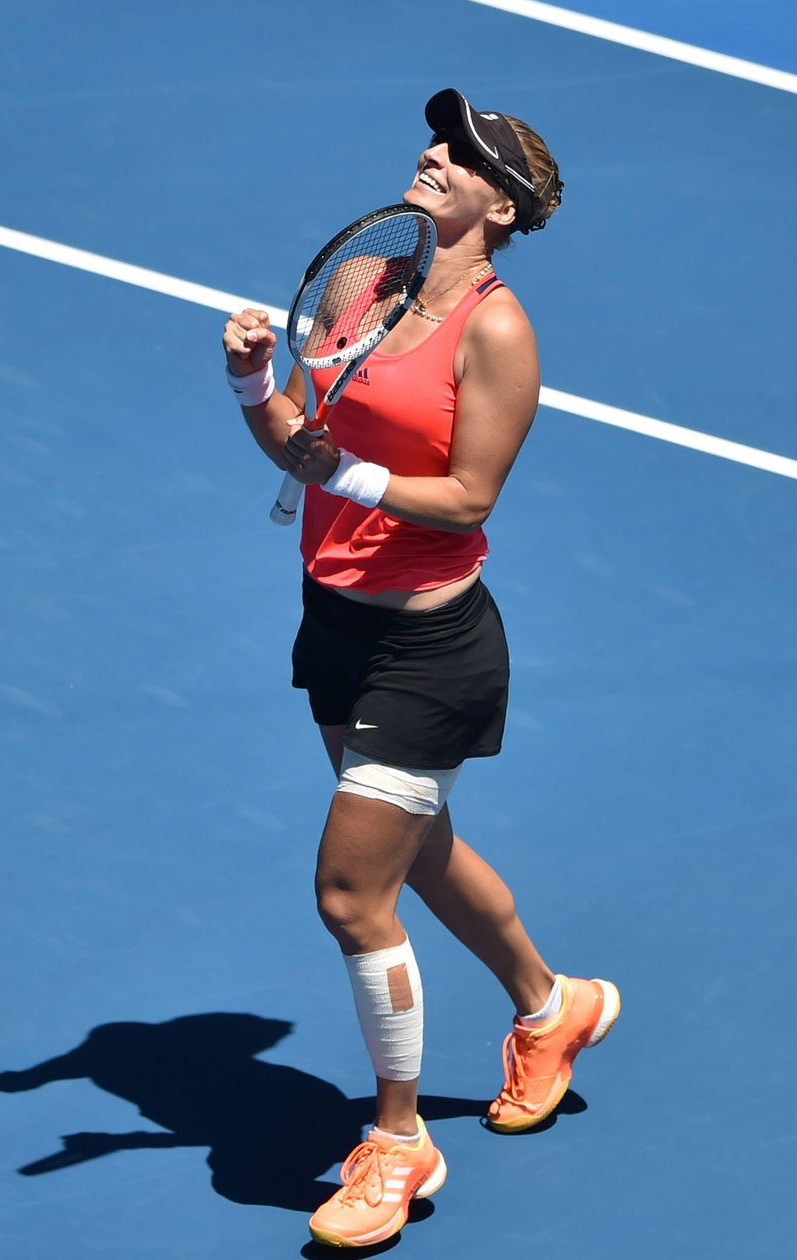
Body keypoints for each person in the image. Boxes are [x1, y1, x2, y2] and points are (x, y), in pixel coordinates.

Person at [222, 88, 620, 1249]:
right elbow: (303, 430)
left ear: (504, 205)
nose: (433, 155)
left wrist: (340, 476)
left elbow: (469, 499)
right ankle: (556, 1008)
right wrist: (253, 381)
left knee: (354, 893)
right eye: (437, 140)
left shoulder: (498, 331)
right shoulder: (363, 284)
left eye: (463, 155)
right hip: (333, 618)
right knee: (417, 845)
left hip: (429, 649)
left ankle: (399, 1143)